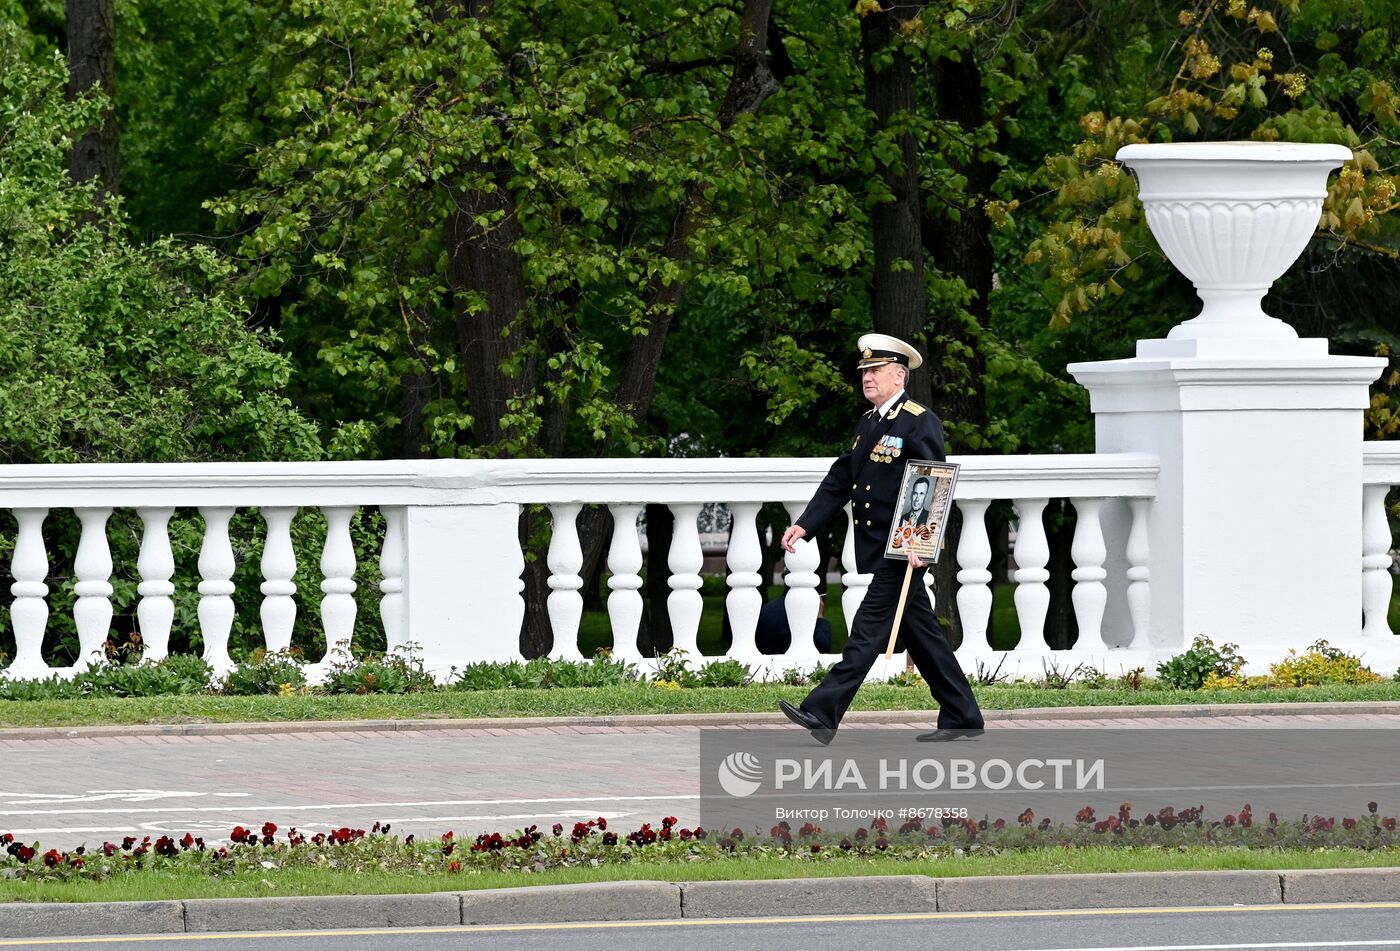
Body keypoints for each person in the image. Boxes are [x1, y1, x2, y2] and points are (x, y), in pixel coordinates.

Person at [777, 333, 984, 745]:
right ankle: (962, 714)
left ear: (898, 375)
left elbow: (931, 482)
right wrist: (806, 523)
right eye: (864, 372)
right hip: (881, 545)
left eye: (875, 371)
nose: (867, 378)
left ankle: (822, 711)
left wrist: (919, 544)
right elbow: (843, 476)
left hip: (901, 546)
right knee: (923, 636)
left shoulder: (918, 420)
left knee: (868, 629)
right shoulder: (871, 421)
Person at [754, 590, 834, 655]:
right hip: (797, 668)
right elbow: (823, 645)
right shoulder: (803, 611)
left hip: (769, 667)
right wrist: (819, 616)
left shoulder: (767, 609)